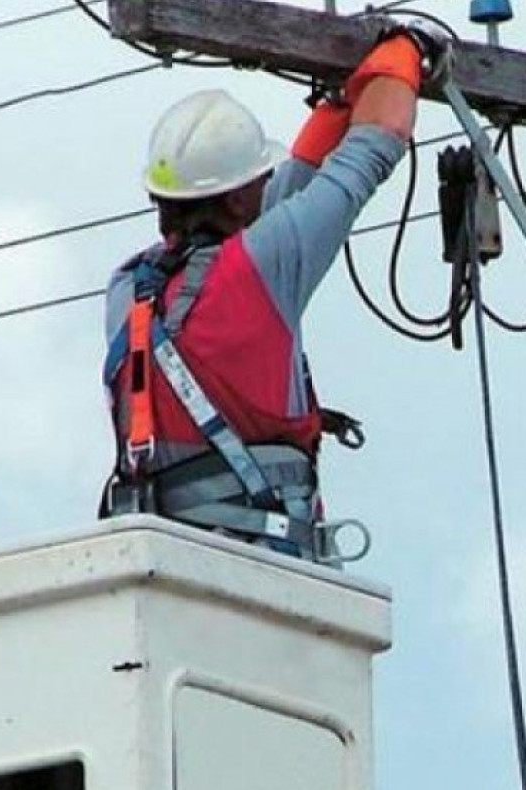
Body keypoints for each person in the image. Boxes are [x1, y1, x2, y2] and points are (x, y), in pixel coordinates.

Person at [99, 22, 446, 563]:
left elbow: (290, 195)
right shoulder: (261, 266)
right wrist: (409, 50)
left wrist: (341, 99)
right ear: (238, 201)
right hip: (262, 562)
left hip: (165, 558)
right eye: (260, 177)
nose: (271, 183)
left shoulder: (129, 289)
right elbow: (373, 149)